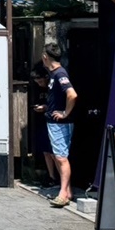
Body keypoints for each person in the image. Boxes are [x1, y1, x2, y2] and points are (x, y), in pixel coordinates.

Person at [42, 42, 77, 208]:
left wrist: (65, 113)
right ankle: (67, 190)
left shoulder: (60, 74)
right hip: (54, 120)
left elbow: (72, 94)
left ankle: (63, 193)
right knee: (58, 155)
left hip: (60, 123)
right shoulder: (54, 73)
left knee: (61, 157)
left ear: (45, 57)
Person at [29, 66, 58, 189]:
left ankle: (58, 177)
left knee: (54, 152)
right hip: (42, 120)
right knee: (46, 151)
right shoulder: (36, 89)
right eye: (37, 82)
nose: (39, 84)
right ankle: (51, 176)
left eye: (41, 81)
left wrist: (45, 107)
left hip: (54, 120)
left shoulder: (53, 87)